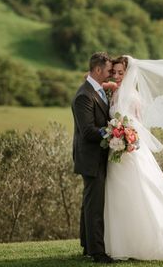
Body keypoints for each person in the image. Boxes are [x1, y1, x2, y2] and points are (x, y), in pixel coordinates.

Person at [104, 56, 163, 260]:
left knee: (139, 192)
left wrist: (127, 139)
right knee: (117, 197)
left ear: (129, 73)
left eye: (120, 72)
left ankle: (148, 241)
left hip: (131, 152)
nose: (116, 76)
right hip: (115, 153)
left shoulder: (133, 97)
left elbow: (139, 126)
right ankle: (119, 244)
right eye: (113, 72)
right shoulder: (113, 93)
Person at [71, 52, 114, 264]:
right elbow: (88, 131)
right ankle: (98, 253)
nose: (110, 75)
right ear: (98, 70)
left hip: (97, 157)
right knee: (94, 205)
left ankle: (87, 246)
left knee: (89, 203)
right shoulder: (84, 96)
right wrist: (114, 133)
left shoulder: (96, 90)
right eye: (108, 71)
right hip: (90, 158)